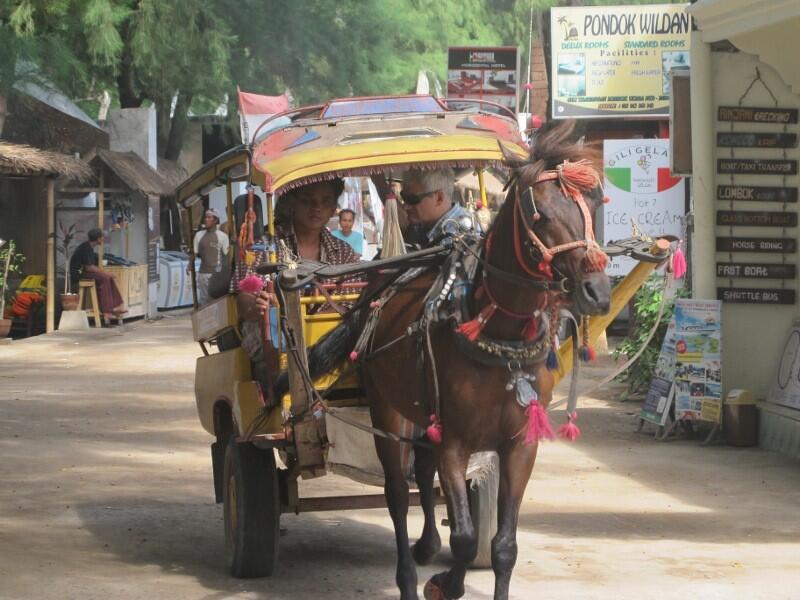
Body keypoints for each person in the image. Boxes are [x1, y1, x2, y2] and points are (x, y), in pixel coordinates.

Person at [230, 179, 360, 402]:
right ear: (292, 203)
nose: (316, 208)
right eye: (307, 201)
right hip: (276, 332)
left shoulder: (344, 252)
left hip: (328, 335)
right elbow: (244, 300)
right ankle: (278, 400)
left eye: (325, 201)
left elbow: (353, 300)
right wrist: (258, 305)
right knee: (276, 336)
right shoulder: (265, 246)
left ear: (332, 209)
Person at [400, 168, 477, 248]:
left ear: (439, 198)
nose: (405, 206)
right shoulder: (420, 225)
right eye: (403, 197)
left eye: (412, 199)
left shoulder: (456, 237)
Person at [69, 228, 126, 318]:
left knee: (108, 277)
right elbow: (89, 267)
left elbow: (91, 266)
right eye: (102, 237)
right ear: (98, 239)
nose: (103, 239)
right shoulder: (85, 248)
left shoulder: (89, 247)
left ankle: (115, 306)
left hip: (84, 272)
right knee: (105, 278)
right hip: (78, 275)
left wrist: (106, 274)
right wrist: (106, 273)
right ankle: (106, 311)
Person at [192, 208, 230, 305]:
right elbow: (194, 253)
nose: (206, 220)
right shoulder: (199, 235)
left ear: (215, 220)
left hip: (217, 274)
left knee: (216, 300)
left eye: (209, 217)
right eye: (206, 217)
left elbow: (227, 255)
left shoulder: (223, 236)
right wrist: (189, 264)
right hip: (203, 273)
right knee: (204, 301)